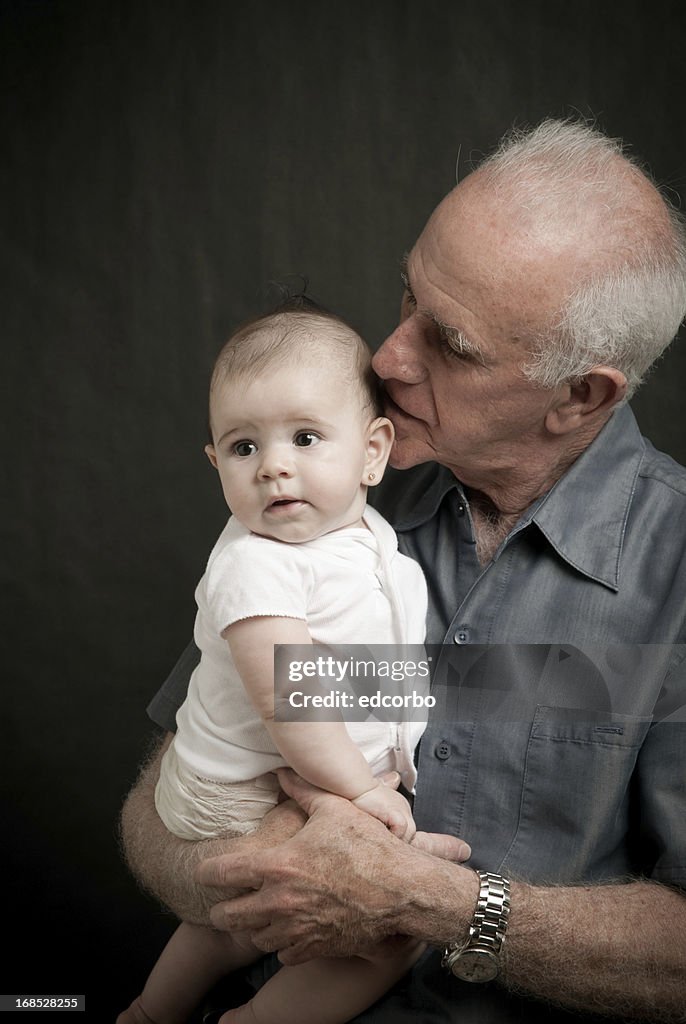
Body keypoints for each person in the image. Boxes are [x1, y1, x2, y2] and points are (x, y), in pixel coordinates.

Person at [120, 119, 686, 1023]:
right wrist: (260, 872)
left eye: (450, 345)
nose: (386, 357)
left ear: (581, 394)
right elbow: (161, 807)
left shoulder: (675, 571)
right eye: (405, 297)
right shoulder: (330, 481)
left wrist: (441, 906)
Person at [118, 303, 436, 1024]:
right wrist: (363, 791)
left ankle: (151, 1012)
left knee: (229, 929)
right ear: (216, 465)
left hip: (282, 764)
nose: (275, 467)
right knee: (385, 935)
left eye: (305, 437)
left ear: (373, 452)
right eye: (242, 448)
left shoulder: (361, 534)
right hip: (232, 788)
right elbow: (296, 706)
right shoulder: (255, 569)